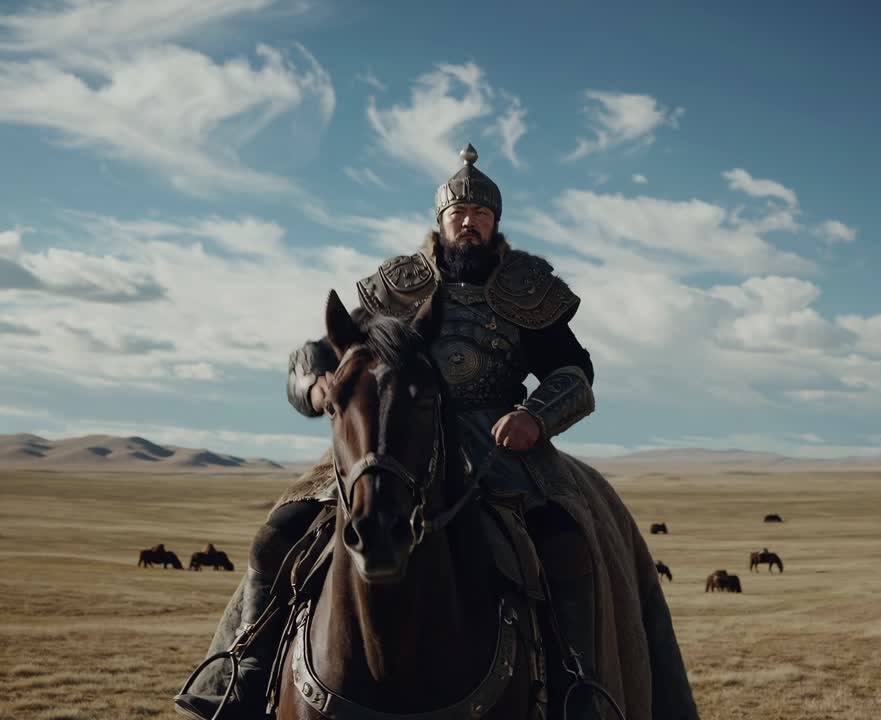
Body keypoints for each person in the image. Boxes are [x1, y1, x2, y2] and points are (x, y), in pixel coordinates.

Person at [175, 145, 697, 719]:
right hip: (391, 435)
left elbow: (574, 372)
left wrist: (536, 417)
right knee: (282, 530)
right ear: (440, 221)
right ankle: (242, 674)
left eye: (480, 213)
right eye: (458, 213)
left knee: (566, 540)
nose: (468, 222)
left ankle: (578, 688)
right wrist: (318, 386)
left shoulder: (528, 288)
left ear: (496, 222)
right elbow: (319, 351)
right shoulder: (397, 286)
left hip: (501, 442)